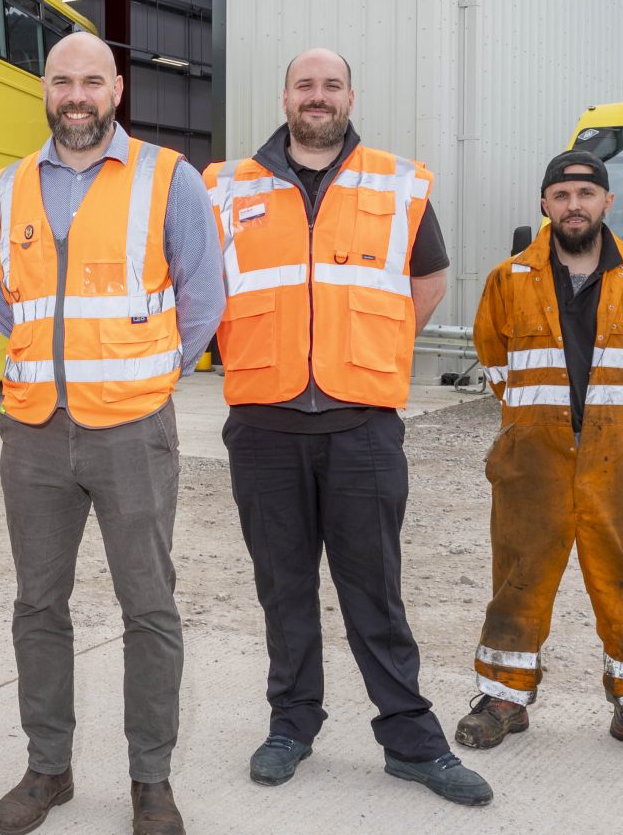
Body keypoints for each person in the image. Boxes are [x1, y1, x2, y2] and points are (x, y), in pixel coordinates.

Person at [202, 49, 492, 806]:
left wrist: (382, 347)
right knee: (283, 588)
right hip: (264, 425)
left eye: (331, 86)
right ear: (286, 96)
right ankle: (292, 724)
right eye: (305, 85)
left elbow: (429, 277)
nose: (318, 97)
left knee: (375, 591)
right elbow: (196, 280)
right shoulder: (227, 187)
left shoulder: (396, 182)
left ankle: (411, 741)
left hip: (362, 426)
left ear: (350, 96)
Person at [0, 32, 224, 835]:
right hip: (34, 435)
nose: (76, 95)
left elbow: (203, 300)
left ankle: (150, 779)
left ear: (117, 89)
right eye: (62, 81)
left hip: (132, 432)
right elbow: (7, 306)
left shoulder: (169, 178)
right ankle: (47, 768)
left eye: (91, 81)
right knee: (37, 606)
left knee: (148, 606)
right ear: (45, 90)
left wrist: (152, 374)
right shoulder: (7, 188)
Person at [455, 151, 623, 767]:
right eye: (562, 194)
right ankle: (503, 701)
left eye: (586, 194)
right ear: (545, 203)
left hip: (615, 457)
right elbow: (494, 363)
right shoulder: (508, 278)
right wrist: (535, 424)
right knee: (518, 578)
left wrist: (610, 425)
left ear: (606, 204)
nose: (574, 205)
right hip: (531, 457)